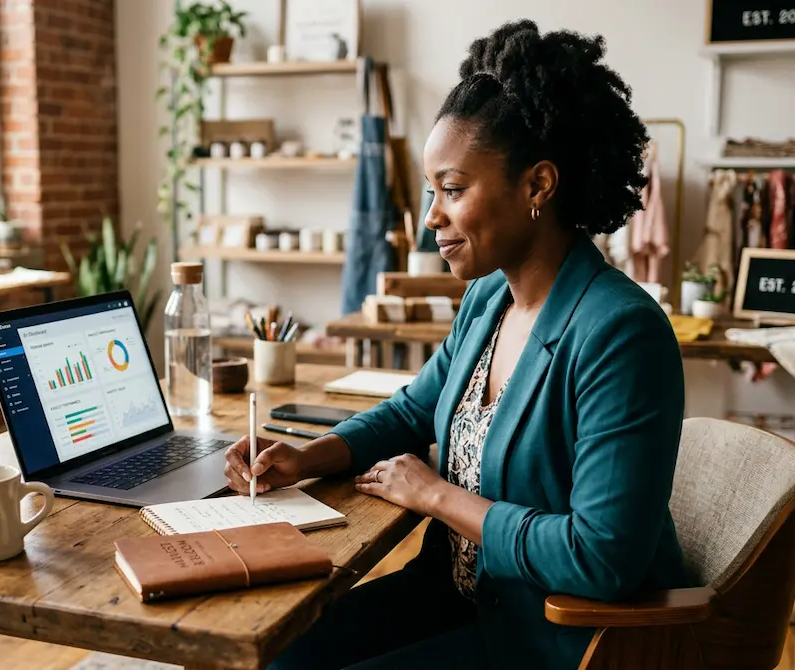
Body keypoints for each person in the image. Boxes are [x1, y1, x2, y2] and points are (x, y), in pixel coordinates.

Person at [224, 20, 688, 670]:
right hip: (461, 597)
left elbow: (601, 557)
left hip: (555, 637)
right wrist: (307, 457)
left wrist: (438, 495)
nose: (431, 216)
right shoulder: (488, 299)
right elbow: (414, 409)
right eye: (431, 191)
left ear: (538, 186)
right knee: (277, 656)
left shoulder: (620, 333)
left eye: (454, 189)